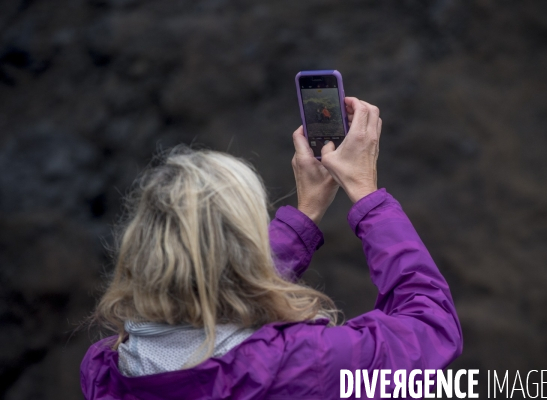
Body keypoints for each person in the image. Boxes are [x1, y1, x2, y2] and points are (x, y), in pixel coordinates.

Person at [80, 97, 462, 399]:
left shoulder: (106, 369)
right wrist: (366, 193)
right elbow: (431, 329)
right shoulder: (301, 364)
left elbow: (222, 287)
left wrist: (307, 213)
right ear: (244, 242)